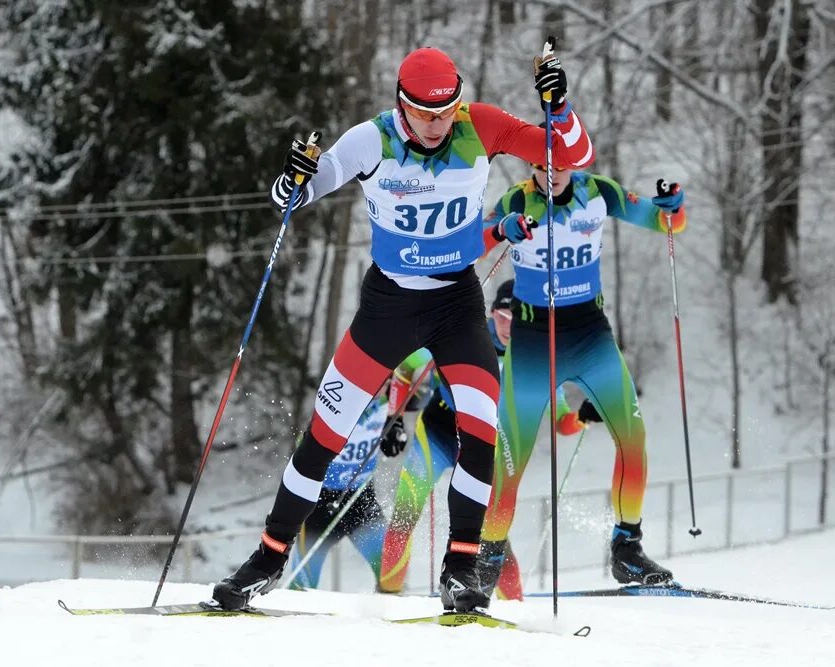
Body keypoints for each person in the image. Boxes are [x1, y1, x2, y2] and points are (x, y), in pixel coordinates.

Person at [211, 45, 594, 613]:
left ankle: (461, 570)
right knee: (325, 434)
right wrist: (292, 180)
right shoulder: (371, 139)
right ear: (402, 105)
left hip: (456, 305)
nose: (438, 125)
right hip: (388, 306)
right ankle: (267, 558)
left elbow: (572, 156)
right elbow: (292, 198)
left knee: (481, 429)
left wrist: (559, 109)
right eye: (425, 114)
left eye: (447, 113)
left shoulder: (481, 126)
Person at [476, 161, 687, 595]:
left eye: (561, 164)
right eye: (541, 164)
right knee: (509, 463)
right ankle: (485, 562)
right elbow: (473, 245)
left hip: (591, 337)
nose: (551, 172)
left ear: (576, 163)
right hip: (533, 343)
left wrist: (673, 207)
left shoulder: (599, 191)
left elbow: (667, 222)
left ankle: (628, 550)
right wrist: (501, 231)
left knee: (633, 439)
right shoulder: (517, 199)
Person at [377, 280, 596, 595]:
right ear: (491, 314)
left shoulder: (536, 358)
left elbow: (562, 422)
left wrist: (582, 418)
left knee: (492, 534)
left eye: (515, 319)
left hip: (484, 447)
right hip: (439, 431)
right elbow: (405, 367)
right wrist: (394, 419)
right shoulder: (461, 333)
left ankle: (511, 607)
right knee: (404, 513)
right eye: (501, 317)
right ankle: (386, 598)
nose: (507, 326)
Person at [287, 377, 410, 590]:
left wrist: (395, 433)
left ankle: (387, 610)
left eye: (386, 382)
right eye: (377, 381)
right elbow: (305, 446)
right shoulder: (343, 399)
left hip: (360, 500)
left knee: (392, 569)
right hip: (320, 503)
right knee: (302, 582)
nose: (380, 389)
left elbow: (393, 443)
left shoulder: (388, 402)